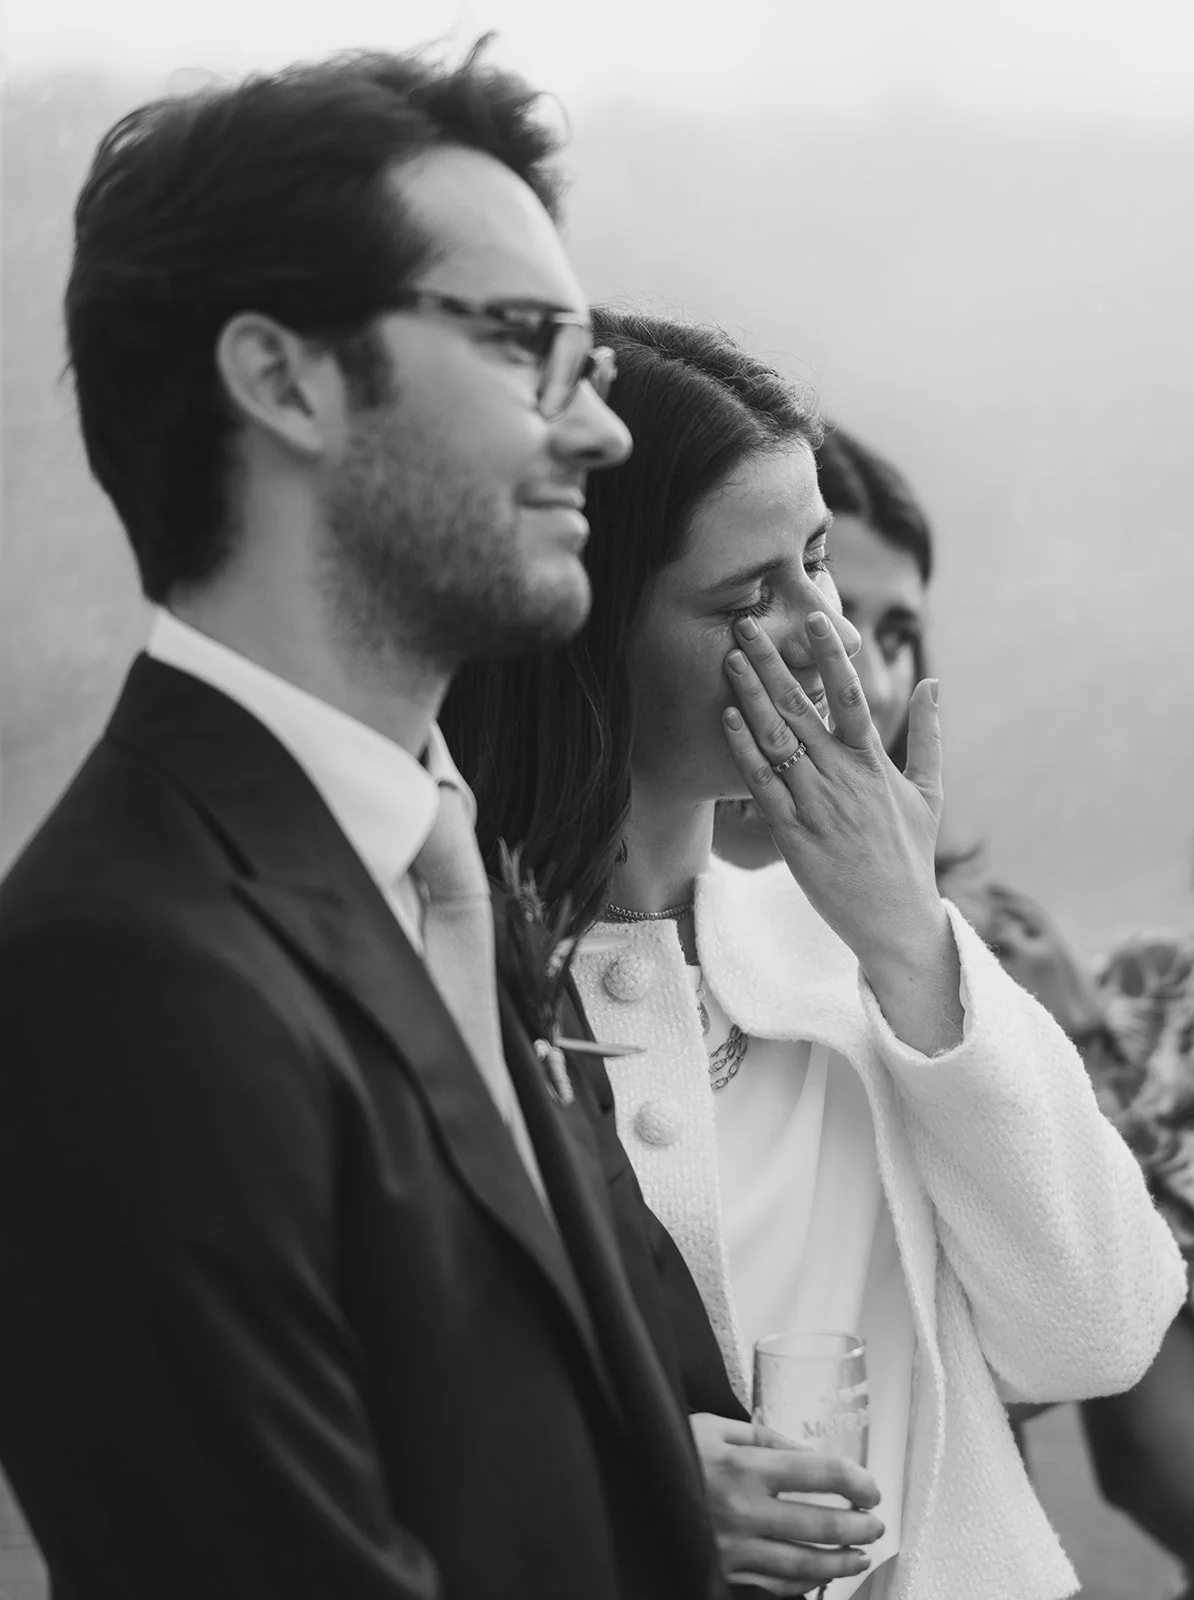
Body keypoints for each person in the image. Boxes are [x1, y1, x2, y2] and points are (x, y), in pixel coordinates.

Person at [0, 51, 738, 1600]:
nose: (599, 434)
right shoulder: (118, 970)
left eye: (592, 362)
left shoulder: (450, 877)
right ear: (283, 380)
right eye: (530, 345)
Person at [440, 308, 1188, 1600]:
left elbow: (1099, 1330)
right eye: (749, 597)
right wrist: (636, 1495)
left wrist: (911, 936)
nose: (828, 635)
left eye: (820, 561)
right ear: (584, 633)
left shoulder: (862, 943)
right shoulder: (446, 978)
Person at [724, 422, 1194, 1598]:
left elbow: (1090, 1348)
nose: (866, 672)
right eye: (786, 604)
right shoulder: (596, 936)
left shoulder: (962, 949)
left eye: (894, 632)